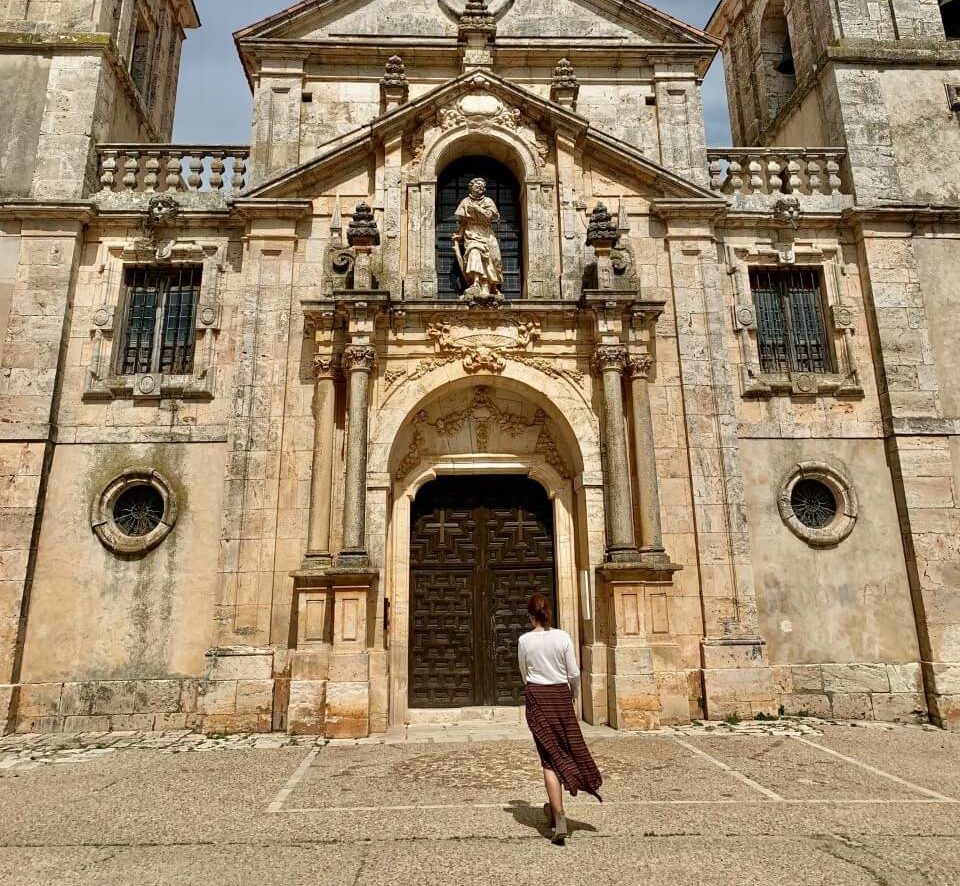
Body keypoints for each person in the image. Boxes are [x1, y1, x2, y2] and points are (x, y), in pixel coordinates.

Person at [518, 594, 603, 846]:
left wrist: (535, 688)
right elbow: (574, 673)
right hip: (560, 696)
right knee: (567, 749)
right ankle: (561, 810)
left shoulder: (524, 640)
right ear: (549, 613)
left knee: (548, 759)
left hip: (537, 698)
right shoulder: (564, 637)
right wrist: (573, 695)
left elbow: (524, 673)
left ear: (530, 616)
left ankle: (559, 817)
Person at [453, 177, 503, 297]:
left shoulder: (488, 201)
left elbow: (490, 216)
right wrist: (459, 234)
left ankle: (492, 286)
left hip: (487, 233)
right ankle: (477, 283)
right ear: (471, 187)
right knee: (474, 252)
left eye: (482, 186)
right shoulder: (465, 202)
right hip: (472, 233)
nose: (480, 187)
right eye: (477, 185)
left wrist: (476, 208)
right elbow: (464, 222)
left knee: (494, 260)